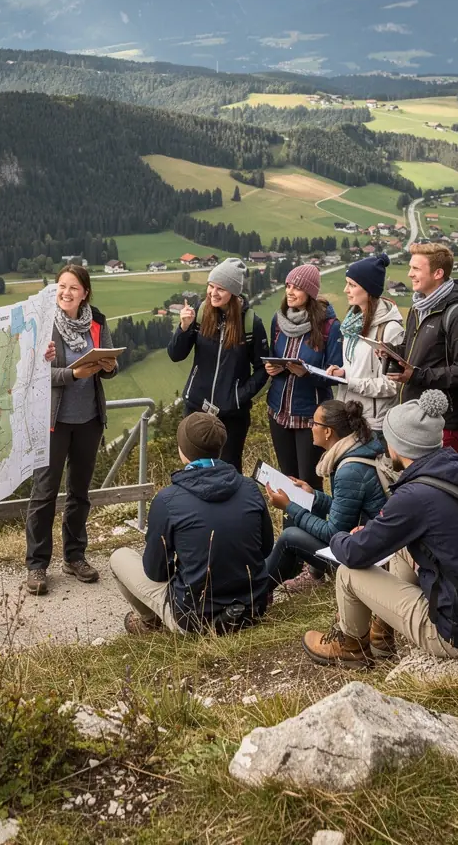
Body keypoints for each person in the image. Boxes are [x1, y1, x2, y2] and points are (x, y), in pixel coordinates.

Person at [302, 390, 458, 667]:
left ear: (399, 445)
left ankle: (352, 647)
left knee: (349, 572)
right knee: (402, 549)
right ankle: (381, 635)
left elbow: (354, 555)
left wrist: (341, 536)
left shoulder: (415, 495)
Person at [109, 412, 273, 634]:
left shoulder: (167, 500)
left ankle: (149, 620)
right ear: (220, 448)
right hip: (253, 606)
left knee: (119, 557)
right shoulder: (249, 487)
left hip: (194, 619)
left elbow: (156, 572)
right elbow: (265, 549)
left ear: (183, 450)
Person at [26, 264, 118, 595]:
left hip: (89, 420)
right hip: (53, 422)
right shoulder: (43, 323)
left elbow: (109, 368)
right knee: (44, 493)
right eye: (61, 286)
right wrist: (73, 375)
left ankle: (75, 557)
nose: (66, 293)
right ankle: (37, 564)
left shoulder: (97, 320)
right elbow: (34, 374)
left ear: (85, 293)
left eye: (73, 288)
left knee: (79, 493)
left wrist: (109, 366)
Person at [262, 398, 387, 592]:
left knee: (289, 536)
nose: (311, 427)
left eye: (314, 423)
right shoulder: (357, 451)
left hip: (369, 558)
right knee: (299, 524)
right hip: (368, 541)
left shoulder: (350, 470)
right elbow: (346, 510)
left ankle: (255, 593)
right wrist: (314, 496)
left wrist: (289, 507)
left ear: (328, 432)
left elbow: (333, 532)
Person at [168, 257, 269, 471]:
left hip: (231, 417)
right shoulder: (201, 312)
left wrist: (238, 398)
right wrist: (184, 328)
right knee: (193, 469)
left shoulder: (251, 323)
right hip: (196, 408)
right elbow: (175, 355)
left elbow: (263, 369)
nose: (213, 293)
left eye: (220, 288)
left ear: (233, 292)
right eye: (211, 286)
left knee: (228, 471)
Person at [386, 242, 458, 451]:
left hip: (443, 421)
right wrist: (388, 351)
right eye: (410, 268)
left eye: (416, 268)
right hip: (413, 414)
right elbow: (411, 351)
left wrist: (416, 375)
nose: (410, 274)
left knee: (434, 472)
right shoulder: (418, 308)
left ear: (438, 273)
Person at [265, 263, 342, 490]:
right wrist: (272, 368)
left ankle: (313, 516)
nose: (290, 291)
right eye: (288, 285)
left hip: (310, 417)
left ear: (310, 292)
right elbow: (273, 355)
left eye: (297, 287)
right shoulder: (278, 321)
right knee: (286, 479)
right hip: (278, 412)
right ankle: (290, 515)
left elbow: (335, 375)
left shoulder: (329, 327)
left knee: (308, 482)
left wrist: (307, 374)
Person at [326, 253, 404, 434]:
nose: (346, 290)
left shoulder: (390, 330)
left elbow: (392, 385)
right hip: (349, 415)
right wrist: (342, 372)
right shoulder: (351, 325)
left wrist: (351, 382)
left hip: (373, 424)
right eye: (347, 283)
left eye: (352, 285)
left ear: (369, 290)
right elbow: (357, 367)